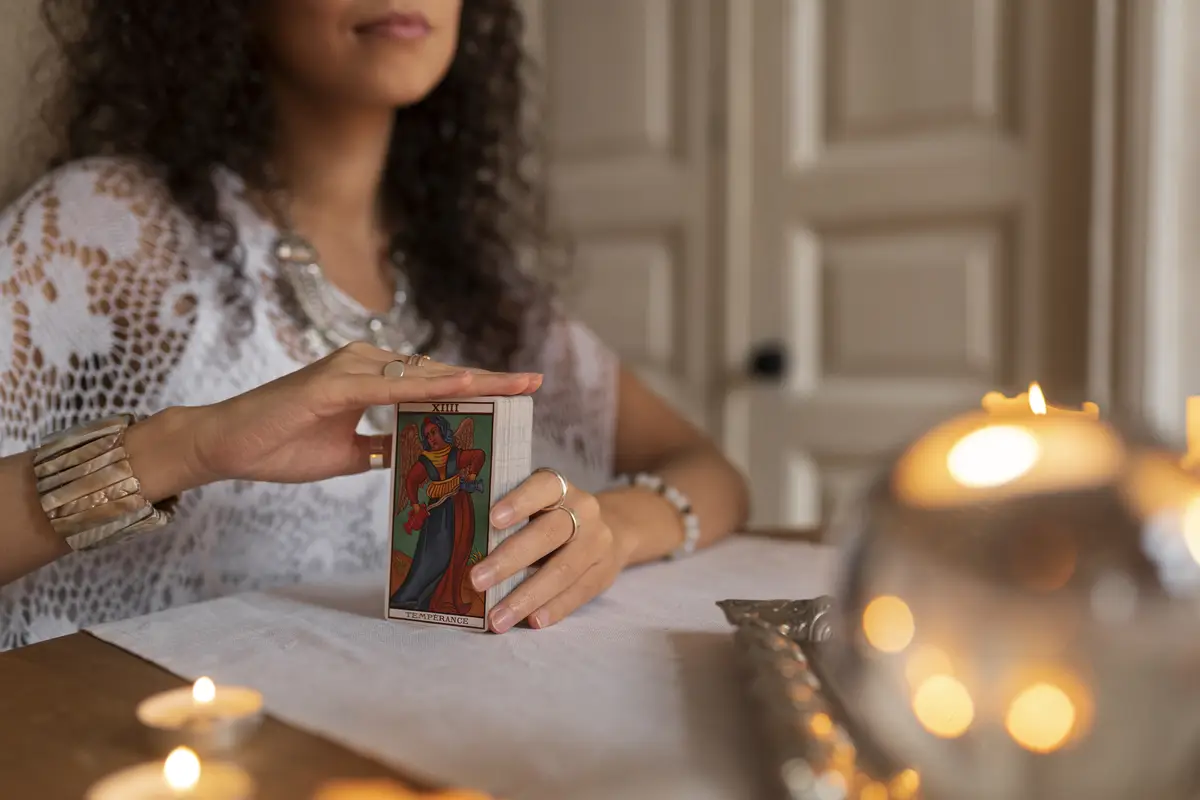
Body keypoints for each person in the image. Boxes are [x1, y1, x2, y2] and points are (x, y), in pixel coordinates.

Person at [0, 0, 749, 651]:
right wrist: (187, 446)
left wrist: (613, 529)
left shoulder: (470, 288)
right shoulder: (106, 231)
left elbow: (710, 473)